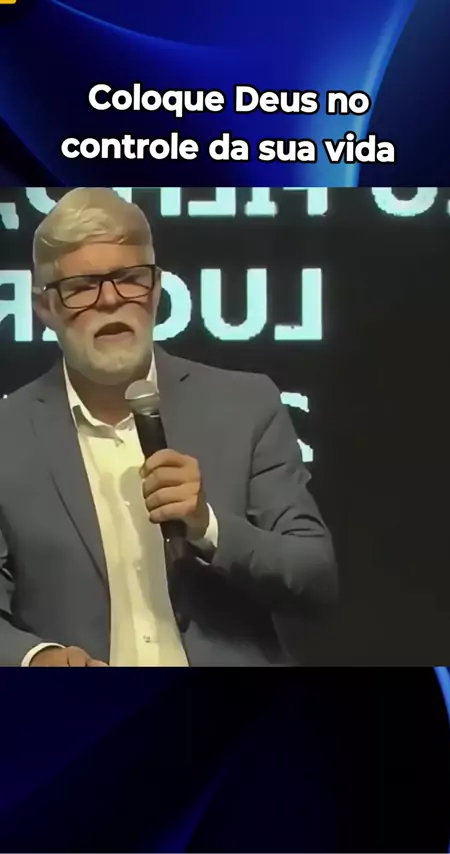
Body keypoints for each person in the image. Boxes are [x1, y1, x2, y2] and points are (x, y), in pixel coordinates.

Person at [0, 188, 337, 667]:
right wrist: (35, 658)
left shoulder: (245, 404)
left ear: (156, 290)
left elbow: (315, 578)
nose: (110, 300)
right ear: (44, 308)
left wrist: (208, 526)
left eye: (130, 279)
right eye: (81, 286)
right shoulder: (8, 434)